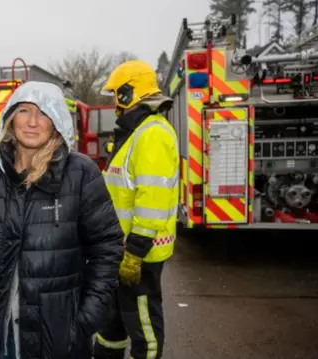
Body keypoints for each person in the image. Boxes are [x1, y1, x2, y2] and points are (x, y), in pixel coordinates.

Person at [0, 81, 125, 359]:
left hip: (57, 340)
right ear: (11, 117)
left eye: (45, 113)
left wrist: (84, 320)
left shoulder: (81, 174)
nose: (33, 122)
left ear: (58, 122)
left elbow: (107, 249)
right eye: (25, 111)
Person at [94, 60, 179, 359]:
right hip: (121, 249)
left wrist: (136, 252)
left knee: (143, 324)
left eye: (117, 96)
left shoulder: (152, 134)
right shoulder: (137, 132)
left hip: (138, 253)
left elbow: (151, 201)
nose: (115, 106)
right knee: (113, 320)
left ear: (129, 94)